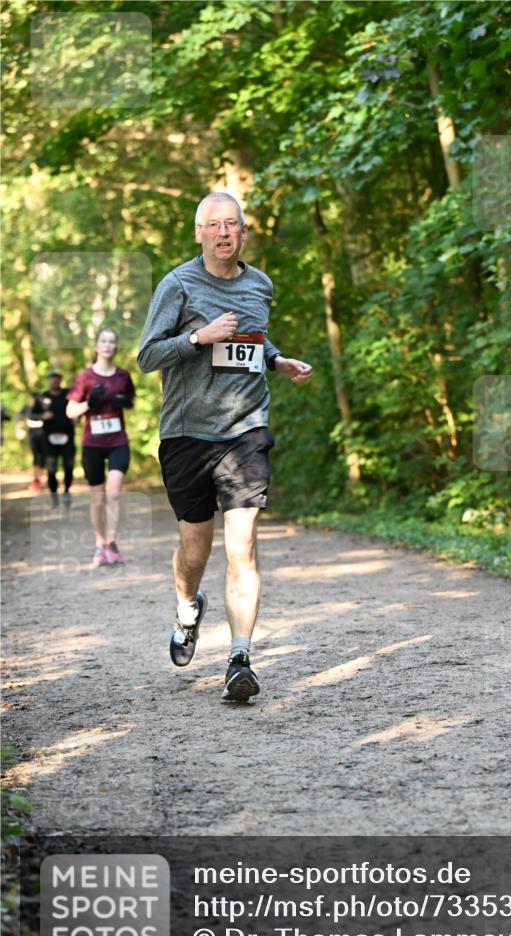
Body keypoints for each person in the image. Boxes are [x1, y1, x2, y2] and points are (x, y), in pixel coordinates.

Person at [138, 191, 312, 702]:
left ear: (243, 232)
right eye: (213, 224)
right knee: (195, 550)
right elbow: (148, 355)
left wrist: (278, 362)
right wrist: (198, 338)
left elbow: (256, 341)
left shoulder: (260, 283)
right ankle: (188, 606)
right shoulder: (177, 284)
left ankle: (239, 659)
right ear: (199, 233)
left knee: (244, 547)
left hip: (245, 431)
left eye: (231, 224)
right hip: (187, 434)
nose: (223, 232)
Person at [66, 328, 135, 566]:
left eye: (112, 341)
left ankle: (112, 543)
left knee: (113, 492)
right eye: (103, 341)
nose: (107, 345)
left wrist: (126, 402)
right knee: (97, 499)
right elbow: (70, 411)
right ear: (96, 346)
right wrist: (89, 403)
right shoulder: (85, 377)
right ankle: (99, 543)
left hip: (118, 441)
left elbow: (130, 400)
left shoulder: (123, 376)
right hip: (92, 444)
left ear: (115, 347)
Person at [35, 370, 76, 509]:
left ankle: (66, 491)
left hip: (67, 436)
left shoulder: (68, 394)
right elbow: (31, 415)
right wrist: (42, 416)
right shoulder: (42, 397)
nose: (55, 380)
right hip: (49, 439)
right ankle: (54, 495)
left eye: (57, 378)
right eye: (52, 378)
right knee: (51, 469)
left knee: (69, 466)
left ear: (60, 380)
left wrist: (77, 418)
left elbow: (79, 408)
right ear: (48, 380)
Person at [19, 393, 47, 489]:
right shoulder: (26, 408)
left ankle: (39, 479)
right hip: (33, 436)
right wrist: (19, 429)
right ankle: (35, 480)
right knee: (36, 456)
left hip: (43, 436)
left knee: (43, 458)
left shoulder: (43, 408)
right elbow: (18, 417)